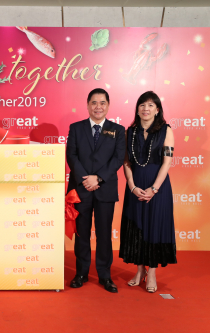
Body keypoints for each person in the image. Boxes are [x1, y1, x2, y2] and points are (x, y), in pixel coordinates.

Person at [66, 88, 126, 293]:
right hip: (81, 189)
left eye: (102, 103)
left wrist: (98, 178)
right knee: (82, 234)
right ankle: (81, 273)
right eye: (94, 102)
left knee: (103, 234)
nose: (98, 106)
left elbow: (118, 159)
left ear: (108, 105)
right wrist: (86, 180)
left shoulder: (118, 130)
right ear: (88, 105)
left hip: (105, 189)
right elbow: (72, 157)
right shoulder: (76, 128)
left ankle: (104, 275)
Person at [119, 91, 176, 293]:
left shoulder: (166, 130)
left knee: (154, 227)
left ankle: (151, 272)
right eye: (142, 105)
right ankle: (139, 270)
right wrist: (132, 186)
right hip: (135, 187)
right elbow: (126, 162)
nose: (146, 109)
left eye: (151, 105)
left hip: (157, 187)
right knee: (138, 227)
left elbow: (167, 162)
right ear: (137, 109)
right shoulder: (129, 132)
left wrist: (154, 189)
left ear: (157, 109)